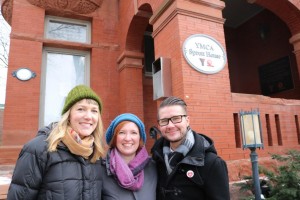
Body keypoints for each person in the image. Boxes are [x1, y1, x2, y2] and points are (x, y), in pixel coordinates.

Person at [7, 85, 106, 200]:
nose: (89, 116)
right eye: (81, 109)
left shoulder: (96, 153)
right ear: (69, 115)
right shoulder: (39, 148)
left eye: (94, 111)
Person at [151, 96, 230, 200]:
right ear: (159, 125)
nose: (170, 125)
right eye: (164, 121)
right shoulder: (156, 159)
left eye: (176, 119)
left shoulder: (212, 163)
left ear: (187, 120)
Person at [100, 113, 157, 200]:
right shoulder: (100, 171)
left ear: (139, 138)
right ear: (115, 138)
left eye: (133, 133)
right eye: (122, 132)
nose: (127, 138)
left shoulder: (153, 168)